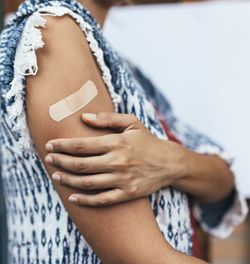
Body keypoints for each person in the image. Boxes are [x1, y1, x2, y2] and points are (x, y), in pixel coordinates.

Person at [0, 0, 247, 263]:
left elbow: (223, 183)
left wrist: (170, 160)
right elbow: (145, 258)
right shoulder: (52, 33)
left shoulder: (127, 68)